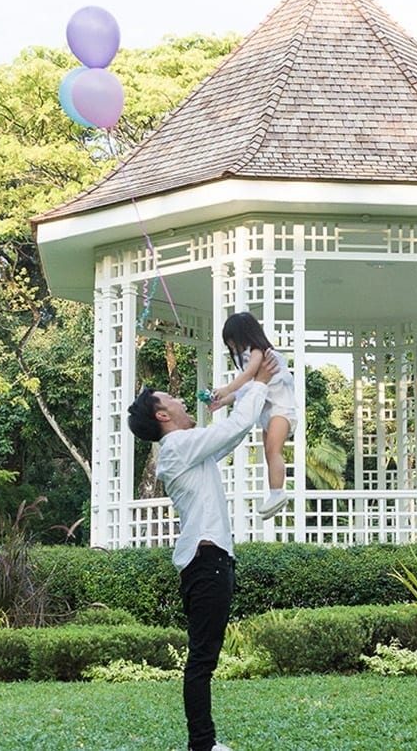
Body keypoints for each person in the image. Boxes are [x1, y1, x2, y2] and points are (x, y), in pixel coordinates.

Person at [125, 349, 277, 751]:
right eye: (171, 399)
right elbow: (235, 428)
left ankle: (204, 744)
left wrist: (235, 394)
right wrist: (258, 380)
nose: (180, 400)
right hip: (205, 561)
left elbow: (233, 432)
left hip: (210, 561)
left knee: (203, 659)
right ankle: (203, 746)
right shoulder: (176, 447)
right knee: (202, 661)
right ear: (162, 415)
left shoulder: (187, 448)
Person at [206, 311, 297, 518]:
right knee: (268, 453)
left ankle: (277, 492)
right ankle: (275, 494)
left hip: (281, 410)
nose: (231, 346)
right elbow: (246, 389)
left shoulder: (260, 352)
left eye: (232, 341)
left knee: (273, 451)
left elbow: (247, 377)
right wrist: (221, 402)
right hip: (267, 413)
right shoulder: (250, 357)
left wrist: (226, 389)